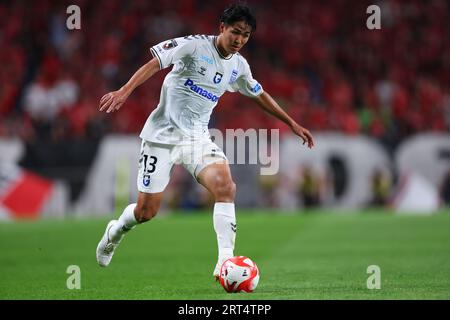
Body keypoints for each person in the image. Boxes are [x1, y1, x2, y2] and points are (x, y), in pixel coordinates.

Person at [96, 4, 314, 280]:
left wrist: (291, 122)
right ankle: (115, 231)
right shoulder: (193, 46)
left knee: (225, 186)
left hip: (197, 139)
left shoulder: (238, 66)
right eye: (235, 32)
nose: (239, 40)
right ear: (222, 27)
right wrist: (125, 91)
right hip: (161, 137)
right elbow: (155, 63)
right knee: (146, 212)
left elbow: (258, 93)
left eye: (246, 35)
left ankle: (225, 262)